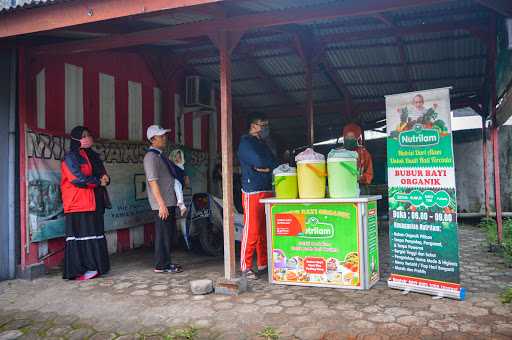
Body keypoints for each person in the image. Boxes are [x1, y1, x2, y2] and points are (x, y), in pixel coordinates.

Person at [61, 126, 110, 280]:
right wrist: (98, 181)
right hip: (77, 203)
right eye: (83, 136)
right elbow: (77, 179)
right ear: (75, 139)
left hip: (95, 202)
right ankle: (84, 268)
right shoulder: (70, 157)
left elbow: (102, 174)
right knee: (82, 236)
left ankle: (96, 267)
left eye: (88, 135)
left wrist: (106, 178)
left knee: (95, 234)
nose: (87, 138)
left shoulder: (94, 156)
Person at [237, 113, 278, 279]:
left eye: (266, 124)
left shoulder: (263, 143)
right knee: (252, 230)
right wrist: (265, 166)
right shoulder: (246, 143)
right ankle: (245, 267)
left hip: (266, 188)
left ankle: (263, 264)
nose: (265, 127)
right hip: (252, 189)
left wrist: (267, 167)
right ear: (253, 126)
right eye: (262, 124)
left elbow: (274, 162)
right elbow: (260, 162)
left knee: (263, 231)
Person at [144, 125, 183, 274]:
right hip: (162, 203)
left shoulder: (160, 155)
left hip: (168, 201)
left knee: (168, 234)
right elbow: (152, 181)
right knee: (162, 234)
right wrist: (161, 204)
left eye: (165, 135)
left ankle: (167, 262)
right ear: (153, 139)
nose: (164, 138)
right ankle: (161, 265)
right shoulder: (151, 157)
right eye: (161, 136)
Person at [342, 123, 374, 194]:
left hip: (360, 187)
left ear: (357, 138)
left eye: (352, 137)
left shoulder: (364, 153)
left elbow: (370, 174)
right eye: (347, 136)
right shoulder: (339, 153)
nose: (349, 139)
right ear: (343, 137)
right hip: (342, 186)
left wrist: (361, 178)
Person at [169, 149, 188, 217]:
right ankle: (182, 206)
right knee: (178, 190)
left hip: (179, 181)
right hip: (177, 181)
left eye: (179, 157)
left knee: (177, 188)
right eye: (176, 157)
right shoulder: (172, 165)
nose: (177, 158)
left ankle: (180, 202)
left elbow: (184, 176)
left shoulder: (180, 166)